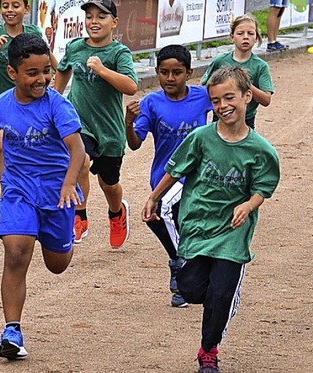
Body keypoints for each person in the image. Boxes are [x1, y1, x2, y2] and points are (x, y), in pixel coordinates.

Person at [0, 33, 85, 360]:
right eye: (33, 73)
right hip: (18, 192)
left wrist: (70, 185)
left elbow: (77, 148)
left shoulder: (58, 105)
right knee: (15, 252)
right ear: (13, 73)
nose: (42, 79)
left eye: (46, 72)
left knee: (57, 265)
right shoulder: (0, 106)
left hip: (57, 196)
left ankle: (61, 236)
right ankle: (11, 329)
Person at [142, 66, 280, 373]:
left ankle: (208, 350)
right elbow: (176, 169)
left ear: (247, 97)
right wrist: (154, 197)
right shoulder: (201, 138)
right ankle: (222, 297)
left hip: (233, 231)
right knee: (190, 288)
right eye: (215, 101)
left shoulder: (260, 150)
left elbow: (263, 187)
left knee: (219, 292)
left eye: (229, 97)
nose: (222, 106)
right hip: (198, 227)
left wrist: (248, 204)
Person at [125, 44, 213, 308]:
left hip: (195, 177)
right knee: (164, 218)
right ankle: (181, 269)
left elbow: (231, 105)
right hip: (164, 177)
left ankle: (182, 269)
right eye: (164, 72)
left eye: (177, 72)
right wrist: (128, 122)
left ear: (189, 72)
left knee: (161, 212)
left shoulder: (203, 97)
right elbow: (135, 143)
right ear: (157, 72)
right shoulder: (151, 103)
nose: (170, 78)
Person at [54, 0, 138, 249]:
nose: (93, 21)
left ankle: (117, 213)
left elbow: (131, 86)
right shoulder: (76, 47)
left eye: (101, 16)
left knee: (108, 184)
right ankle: (79, 216)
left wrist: (102, 70)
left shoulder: (118, 53)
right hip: (79, 122)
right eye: (89, 16)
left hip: (109, 130)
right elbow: (63, 69)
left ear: (114, 22)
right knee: (79, 161)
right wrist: (55, 98)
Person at [0, 0, 57, 218]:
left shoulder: (33, 32)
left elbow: (52, 61)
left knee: (17, 147)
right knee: (2, 146)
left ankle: (25, 192)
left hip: (31, 104)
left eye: (16, 5)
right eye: (5, 5)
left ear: (26, 9)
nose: (10, 10)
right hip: (2, 108)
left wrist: (54, 73)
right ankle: (9, 194)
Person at [201, 14, 273, 130]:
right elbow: (205, 88)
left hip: (246, 120)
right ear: (232, 37)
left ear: (256, 38)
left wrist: (245, 83)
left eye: (250, 33)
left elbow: (266, 100)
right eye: (240, 33)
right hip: (220, 117)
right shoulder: (220, 61)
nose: (245, 37)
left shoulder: (261, 66)